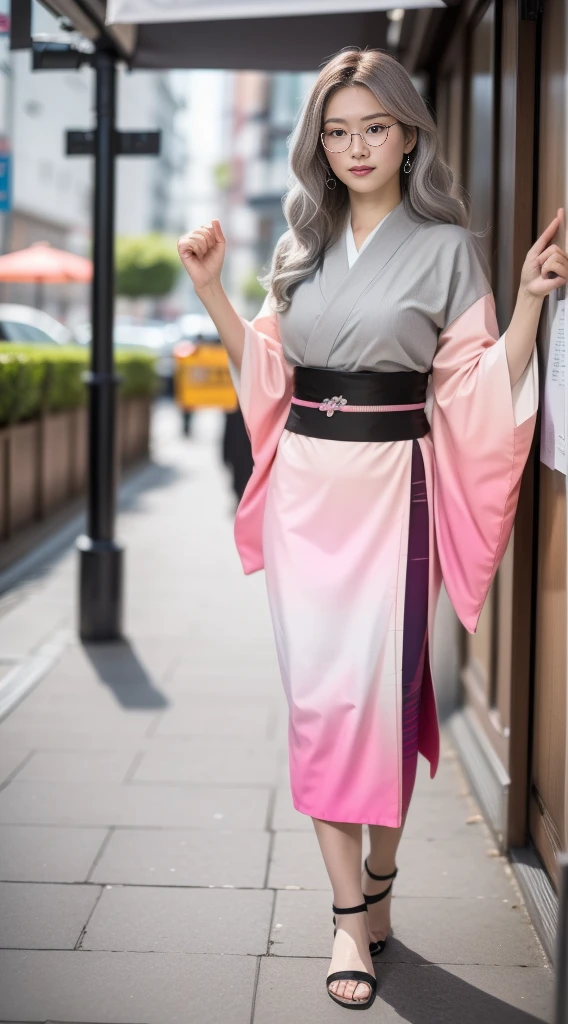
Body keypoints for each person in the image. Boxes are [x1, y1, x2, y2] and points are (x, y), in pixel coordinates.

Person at [178, 47, 566, 1011]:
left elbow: (473, 385)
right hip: (308, 489)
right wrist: (215, 290)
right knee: (321, 707)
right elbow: (267, 377)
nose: (355, 147)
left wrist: (526, 301)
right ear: (320, 141)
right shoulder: (296, 247)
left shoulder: (444, 247)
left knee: (383, 705)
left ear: (410, 135)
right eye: (338, 130)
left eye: (375, 127)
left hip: (399, 492)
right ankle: (350, 917)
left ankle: (375, 897)